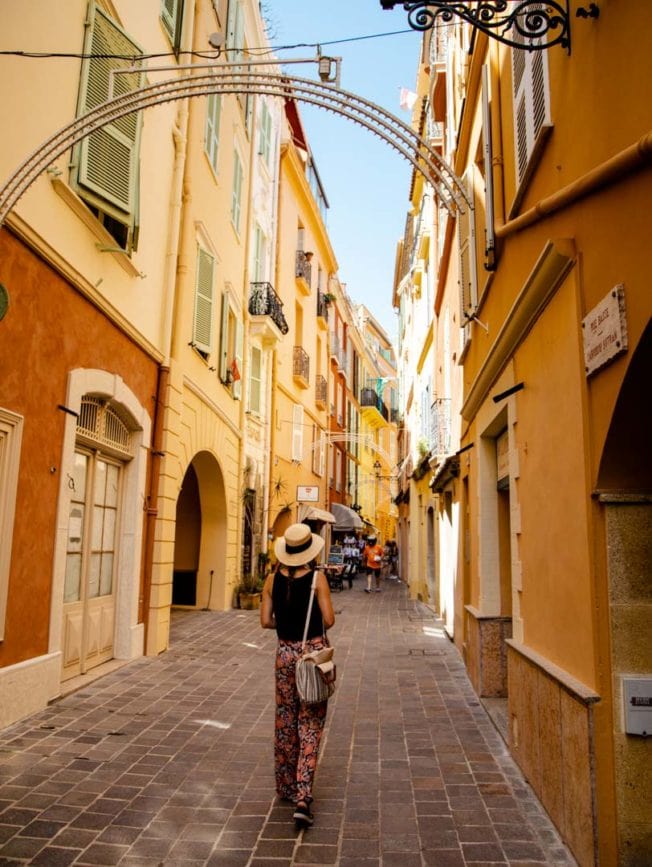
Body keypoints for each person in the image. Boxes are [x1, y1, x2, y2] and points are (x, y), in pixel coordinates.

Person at [260, 523, 335, 828]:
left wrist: (284, 619)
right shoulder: (318, 579)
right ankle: (304, 795)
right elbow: (328, 619)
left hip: (284, 655)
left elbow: (265, 622)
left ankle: (286, 787)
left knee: (286, 720)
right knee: (311, 722)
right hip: (311, 656)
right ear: (308, 550)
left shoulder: (269, 580)